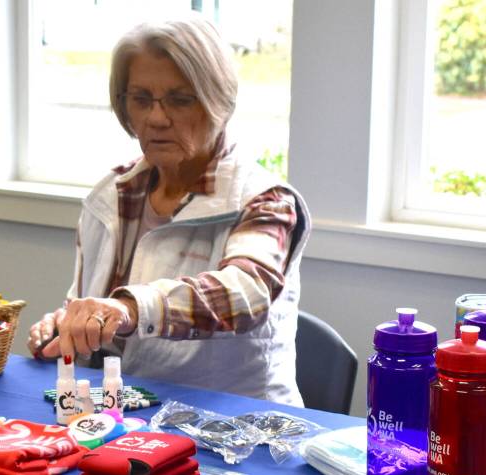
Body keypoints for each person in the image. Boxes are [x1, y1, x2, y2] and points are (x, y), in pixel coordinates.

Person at [26, 16, 311, 405]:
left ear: (218, 103)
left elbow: (245, 292)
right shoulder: (111, 195)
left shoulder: (266, 201)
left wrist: (128, 308)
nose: (156, 118)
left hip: (240, 429)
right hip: (131, 416)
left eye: (179, 99)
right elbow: (91, 305)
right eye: (141, 100)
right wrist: (70, 327)